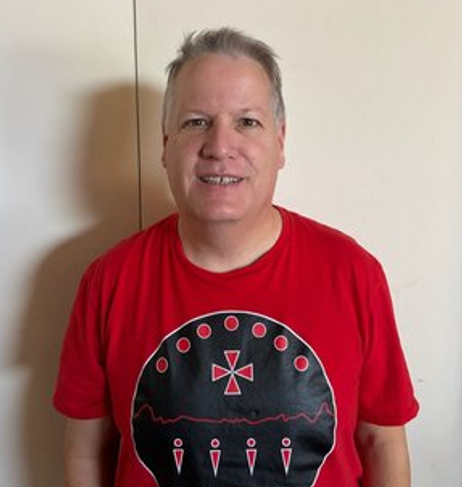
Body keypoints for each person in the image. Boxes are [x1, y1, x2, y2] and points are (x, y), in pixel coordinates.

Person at [54, 27, 419, 487]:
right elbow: (86, 449)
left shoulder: (352, 274)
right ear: (165, 145)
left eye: (247, 122)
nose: (220, 147)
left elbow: (382, 442)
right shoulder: (110, 281)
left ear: (280, 142)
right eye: (196, 122)